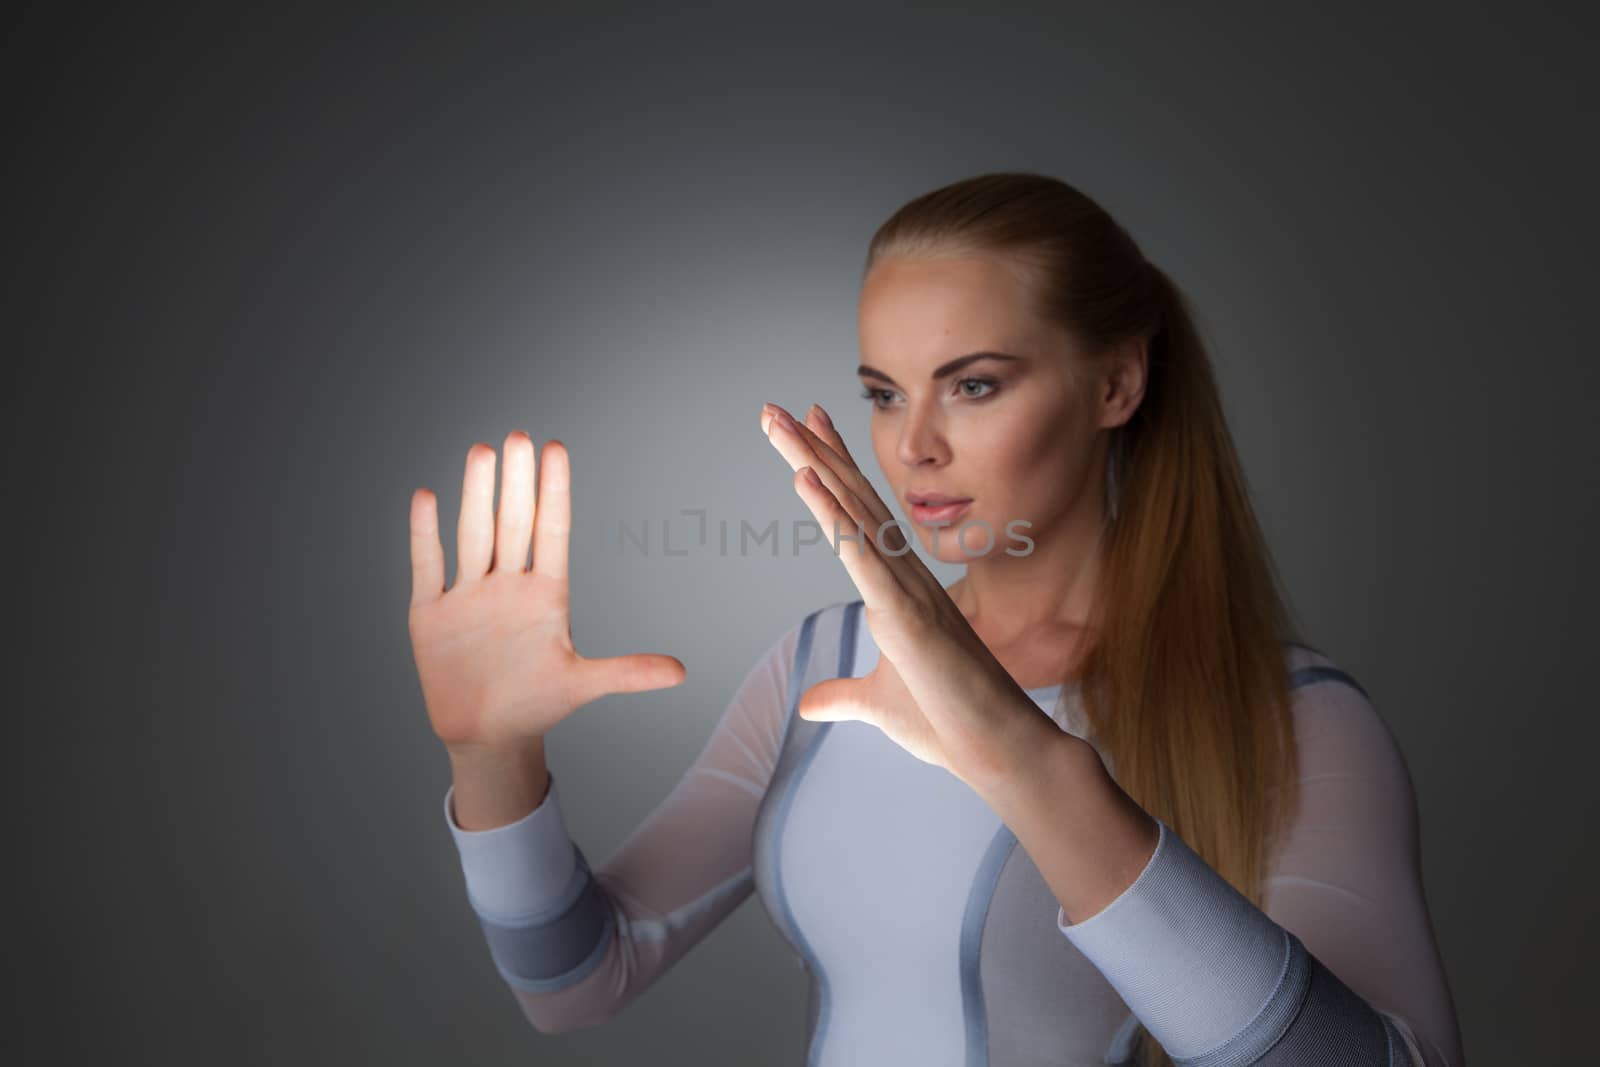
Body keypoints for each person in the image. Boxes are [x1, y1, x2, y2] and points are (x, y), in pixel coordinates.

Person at [407, 172, 1465, 1066]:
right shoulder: (822, 663)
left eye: (972, 385)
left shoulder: (1296, 718)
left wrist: (1024, 759)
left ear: (1116, 382)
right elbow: (580, 979)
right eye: (881, 391)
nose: (910, 446)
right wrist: (492, 758)